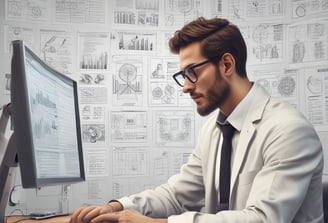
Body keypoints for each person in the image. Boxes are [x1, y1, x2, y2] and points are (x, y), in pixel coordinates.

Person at [69, 17, 324, 223]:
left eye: (192, 72)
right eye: (184, 75)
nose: (185, 87)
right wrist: (115, 207)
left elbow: (263, 219)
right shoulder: (214, 131)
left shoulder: (288, 129)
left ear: (226, 64)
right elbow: (176, 195)